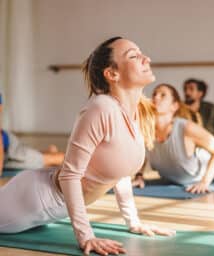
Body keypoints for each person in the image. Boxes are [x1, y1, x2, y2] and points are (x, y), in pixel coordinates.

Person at [0, 37, 175, 256]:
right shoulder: (100, 108)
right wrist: (86, 236)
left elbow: (120, 174)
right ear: (112, 74)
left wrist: (134, 222)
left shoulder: (133, 113)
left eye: (141, 52)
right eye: (133, 55)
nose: (145, 58)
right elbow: (69, 176)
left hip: (51, 205)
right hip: (34, 201)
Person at [133, 83, 214, 193]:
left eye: (163, 95)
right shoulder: (146, 129)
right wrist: (139, 176)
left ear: (175, 106)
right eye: (154, 94)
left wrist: (204, 182)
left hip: (207, 172)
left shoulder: (187, 128)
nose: (156, 97)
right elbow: (144, 154)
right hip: (173, 178)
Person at [0, 93, 64, 176]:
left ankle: (66, 158)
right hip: (7, 156)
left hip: (11, 151)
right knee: (35, 161)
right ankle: (49, 152)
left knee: (50, 161)